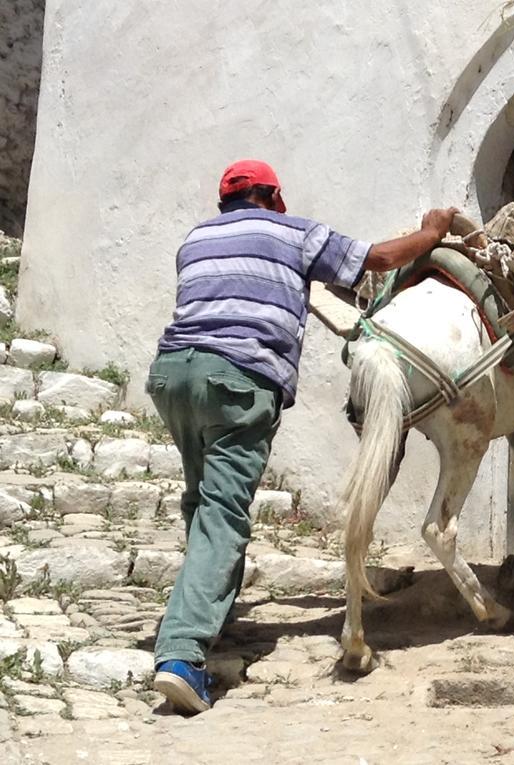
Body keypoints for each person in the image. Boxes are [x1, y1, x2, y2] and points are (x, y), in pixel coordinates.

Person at [148, 159, 457, 714]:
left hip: (173, 374)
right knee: (222, 512)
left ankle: (206, 613)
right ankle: (182, 655)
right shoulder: (292, 232)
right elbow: (377, 260)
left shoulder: (196, 238)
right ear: (270, 196)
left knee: (202, 502)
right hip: (238, 380)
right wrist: (432, 232)